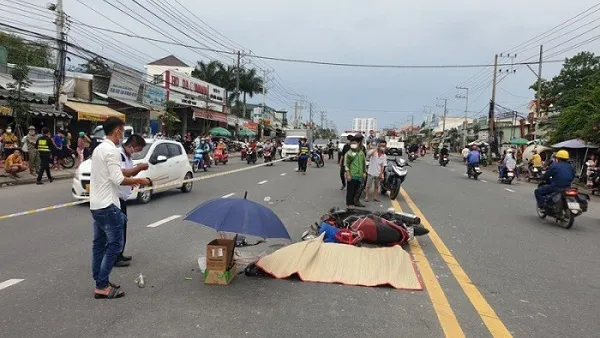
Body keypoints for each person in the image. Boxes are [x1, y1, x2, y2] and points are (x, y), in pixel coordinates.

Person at [89, 117, 150, 299]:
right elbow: (118, 179)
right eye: (122, 132)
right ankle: (102, 286)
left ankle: (101, 280)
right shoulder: (113, 151)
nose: (123, 136)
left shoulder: (99, 149)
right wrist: (139, 180)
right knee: (115, 246)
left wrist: (134, 172)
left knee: (99, 245)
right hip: (108, 204)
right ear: (117, 131)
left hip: (96, 204)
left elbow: (114, 173)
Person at [115, 134, 149, 268]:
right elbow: (123, 174)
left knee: (123, 227)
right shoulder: (119, 155)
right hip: (116, 198)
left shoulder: (127, 156)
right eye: (136, 149)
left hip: (123, 197)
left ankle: (120, 253)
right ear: (130, 146)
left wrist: (137, 170)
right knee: (118, 229)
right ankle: (115, 257)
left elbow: (130, 173)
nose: (136, 152)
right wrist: (139, 168)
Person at [344, 136, 366, 209]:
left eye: (355, 143)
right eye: (352, 143)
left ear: (358, 143)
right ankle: (349, 203)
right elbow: (346, 164)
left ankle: (353, 202)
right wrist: (347, 174)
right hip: (352, 175)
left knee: (356, 190)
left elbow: (363, 163)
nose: (353, 144)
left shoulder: (361, 153)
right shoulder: (349, 153)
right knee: (350, 190)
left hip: (359, 175)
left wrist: (364, 172)